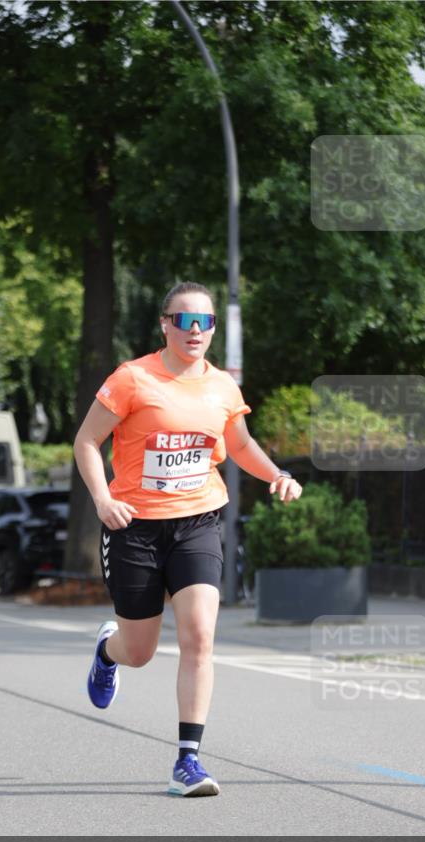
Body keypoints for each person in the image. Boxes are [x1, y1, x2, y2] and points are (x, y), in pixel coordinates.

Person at [73, 281, 303, 797]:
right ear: (165, 324)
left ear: (214, 328)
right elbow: (86, 440)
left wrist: (275, 475)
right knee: (140, 651)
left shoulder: (222, 386)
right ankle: (108, 653)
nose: (195, 331)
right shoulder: (132, 379)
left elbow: (239, 444)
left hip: (198, 521)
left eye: (205, 322)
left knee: (200, 636)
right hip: (134, 525)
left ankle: (188, 761)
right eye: (184, 320)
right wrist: (103, 500)